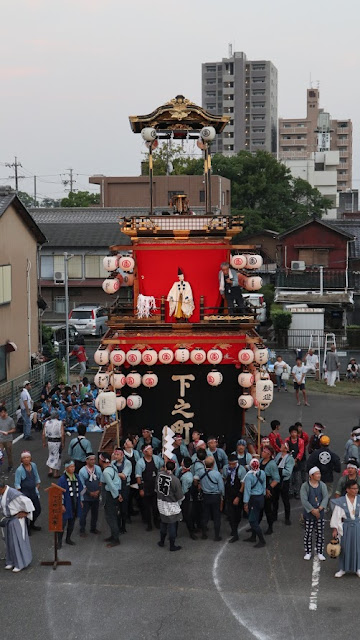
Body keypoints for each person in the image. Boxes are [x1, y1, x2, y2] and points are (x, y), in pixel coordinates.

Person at [0, 478, 34, 572]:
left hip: (16, 519)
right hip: (8, 520)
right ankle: (11, 561)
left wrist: (26, 513)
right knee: (9, 542)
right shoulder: (3, 493)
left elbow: (27, 501)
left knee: (17, 542)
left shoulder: (13, 493)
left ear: (2, 488)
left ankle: (20, 563)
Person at [330, 479, 360, 578]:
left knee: (357, 548)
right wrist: (335, 529)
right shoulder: (341, 501)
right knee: (344, 548)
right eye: (354, 488)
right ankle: (342, 568)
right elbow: (336, 516)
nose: (356, 490)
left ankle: (358, 568)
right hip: (346, 527)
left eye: (357, 488)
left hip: (357, 526)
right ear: (347, 489)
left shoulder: (359, 499)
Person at [300, 467, 328, 561]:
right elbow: (304, 500)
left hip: (320, 514)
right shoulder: (305, 486)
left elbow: (325, 497)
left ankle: (320, 551)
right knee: (308, 533)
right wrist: (312, 510)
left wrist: (320, 508)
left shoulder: (322, 485)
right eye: (317, 474)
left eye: (319, 473)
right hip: (309, 514)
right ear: (311, 476)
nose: (319, 475)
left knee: (320, 533)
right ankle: (308, 551)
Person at [156, 460, 184, 551]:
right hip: (170, 503)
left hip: (160, 501)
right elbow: (179, 495)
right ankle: (172, 545)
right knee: (172, 523)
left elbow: (156, 488)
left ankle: (162, 541)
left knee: (163, 521)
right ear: (175, 468)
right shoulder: (175, 480)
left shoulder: (159, 474)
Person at [135, 444, 164, 531]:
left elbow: (162, 465)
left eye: (151, 449)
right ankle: (149, 524)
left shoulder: (156, 458)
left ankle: (156, 521)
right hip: (146, 487)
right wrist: (141, 489)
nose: (151, 451)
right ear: (144, 452)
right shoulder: (140, 463)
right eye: (149, 449)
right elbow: (138, 477)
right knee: (146, 507)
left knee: (156, 506)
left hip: (155, 486)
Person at [197, 456, 224, 541]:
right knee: (216, 516)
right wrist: (222, 497)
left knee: (205, 515)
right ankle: (217, 536)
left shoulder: (201, 472)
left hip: (205, 496)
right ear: (213, 464)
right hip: (215, 496)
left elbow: (196, 478)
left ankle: (204, 534)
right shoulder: (216, 474)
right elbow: (221, 488)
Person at [57, 460, 83, 548]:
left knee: (72, 523)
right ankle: (59, 541)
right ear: (66, 468)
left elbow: (80, 489)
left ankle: (68, 538)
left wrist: (81, 501)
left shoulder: (76, 477)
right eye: (71, 467)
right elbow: (59, 493)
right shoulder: (62, 479)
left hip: (75, 503)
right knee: (62, 524)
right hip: (66, 503)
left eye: (73, 467)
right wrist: (61, 504)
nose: (73, 468)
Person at [14, 451, 41, 532]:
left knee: (37, 510)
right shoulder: (19, 470)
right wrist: (20, 496)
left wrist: (37, 486)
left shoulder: (33, 465)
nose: (26, 459)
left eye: (27, 457)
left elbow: (36, 477)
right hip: (24, 493)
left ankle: (32, 524)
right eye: (24, 458)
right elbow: (17, 484)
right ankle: (27, 528)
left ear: (30, 458)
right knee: (26, 511)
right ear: (21, 460)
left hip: (33, 491)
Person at [99, 452, 121, 547]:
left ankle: (116, 539)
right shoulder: (111, 467)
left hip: (110, 495)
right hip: (114, 493)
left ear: (102, 460)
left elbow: (111, 486)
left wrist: (116, 496)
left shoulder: (106, 472)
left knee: (110, 517)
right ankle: (113, 535)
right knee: (112, 516)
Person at [243, 458, 267, 548]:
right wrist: (263, 494)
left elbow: (247, 490)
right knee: (256, 518)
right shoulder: (262, 473)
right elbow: (264, 485)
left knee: (253, 520)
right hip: (260, 497)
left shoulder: (249, 476)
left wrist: (245, 503)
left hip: (253, 499)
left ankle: (262, 540)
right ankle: (253, 536)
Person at [223, 453, 246, 542]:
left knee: (237, 515)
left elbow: (243, 485)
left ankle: (235, 528)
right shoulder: (226, 468)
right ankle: (235, 532)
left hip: (237, 494)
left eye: (233, 464)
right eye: (230, 464)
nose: (231, 466)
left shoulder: (241, 470)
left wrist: (238, 497)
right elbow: (224, 478)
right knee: (231, 514)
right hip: (229, 494)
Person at [78, 453, 102, 537]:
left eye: (94, 459)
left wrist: (98, 491)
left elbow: (101, 481)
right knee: (83, 514)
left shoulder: (98, 469)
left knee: (95, 513)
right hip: (86, 497)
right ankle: (82, 530)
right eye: (91, 460)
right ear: (86, 460)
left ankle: (93, 528)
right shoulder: (82, 471)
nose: (93, 461)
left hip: (96, 495)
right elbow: (82, 485)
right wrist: (90, 493)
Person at [260, 445, 280, 535]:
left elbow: (276, 479)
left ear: (269, 454)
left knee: (268, 510)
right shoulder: (260, 461)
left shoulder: (272, 465)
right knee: (258, 509)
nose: (262, 453)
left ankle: (270, 527)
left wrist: (268, 489)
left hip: (267, 489)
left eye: (264, 452)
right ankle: (255, 525)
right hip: (259, 488)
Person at [274, 442, 295, 525]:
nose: (281, 446)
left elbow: (288, 472)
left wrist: (278, 470)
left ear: (286, 449)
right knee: (275, 499)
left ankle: (287, 518)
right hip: (276, 479)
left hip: (284, 481)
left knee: (285, 499)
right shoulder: (279, 455)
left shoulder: (290, 459)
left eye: (282, 446)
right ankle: (274, 515)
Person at [112, 447, 131, 534]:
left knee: (123, 508)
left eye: (117, 454)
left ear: (122, 455)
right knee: (116, 508)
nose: (116, 456)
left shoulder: (127, 463)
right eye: (115, 454)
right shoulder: (113, 463)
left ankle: (123, 526)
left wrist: (112, 474)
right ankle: (117, 526)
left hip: (124, 487)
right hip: (115, 487)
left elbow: (124, 475)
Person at [122, 436, 141, 519]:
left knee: (137, 495)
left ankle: (134, 510)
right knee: (127, 497)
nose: (131, 442)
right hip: (127, 478)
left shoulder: (136, 452)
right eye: (128, 441)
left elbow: (139, 463)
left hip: (135, 476)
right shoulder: (122, 454)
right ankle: (127, 515)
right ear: (125, 445)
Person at [178, 456, 196, 540]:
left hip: (184, 497)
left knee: (186, 515)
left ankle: (191, 532)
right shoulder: (181, 470)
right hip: (180, 495)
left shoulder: (187, 477)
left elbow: (184, 490)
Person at [42, 410, 65, 478]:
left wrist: (44, 442)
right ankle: (56, 472)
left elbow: (43, 434)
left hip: (50, 441)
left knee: (51, 454)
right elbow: (62, 434)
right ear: (57, 416)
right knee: (58, 456)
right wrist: (63, 443)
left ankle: (50, 469)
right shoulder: (60, 422)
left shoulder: (47, 423)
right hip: (57, 441)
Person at [285, 426, 305, 499]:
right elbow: (286, 450)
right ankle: (290, 491)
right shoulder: (287, 440)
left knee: (297, 478)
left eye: (295, 432)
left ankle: (297, 492)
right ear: (290, 433)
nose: (294, 434)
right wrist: (290, 460)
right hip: (289, 462)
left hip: (297, 462)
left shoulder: (301, 441)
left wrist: (296, 459)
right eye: (292, 432)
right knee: (289, 477)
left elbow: (301, 451)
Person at [0, 406, 16, 472]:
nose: (2, 414)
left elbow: (14, 429)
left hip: (8, 439)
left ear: (6, 412)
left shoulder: (10, 420)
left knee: (9, 453)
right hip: (0, 439)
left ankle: (10, 465)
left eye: (3, 412)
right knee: (0, 453)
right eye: (1, 412)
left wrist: (8, 432)